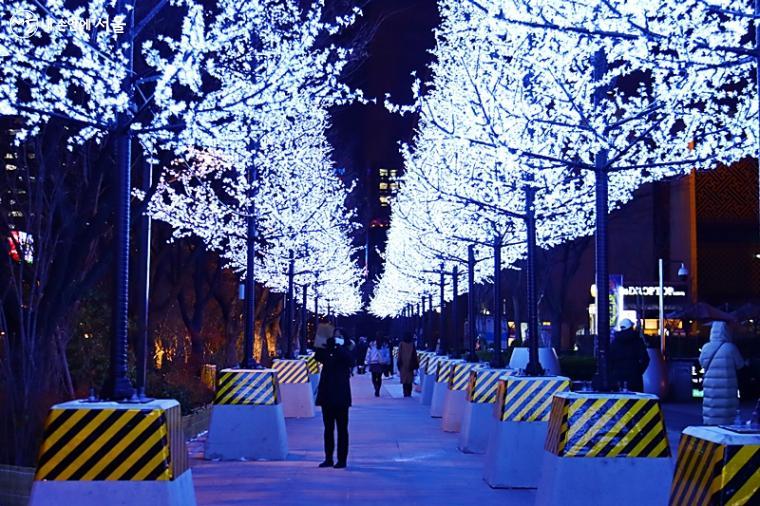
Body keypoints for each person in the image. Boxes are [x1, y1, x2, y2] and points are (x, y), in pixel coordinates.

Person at [314, 328, 354, 469]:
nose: (336, 338)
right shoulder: (326, 349)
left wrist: (339, 347)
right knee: (328, 428)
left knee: (342, 428)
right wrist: (324, 344)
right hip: (327, 393)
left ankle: (342, 459)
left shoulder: (347, 348)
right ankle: (328, 458)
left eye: (339, 336)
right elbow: (318, 357)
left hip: (341, 393)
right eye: (334, 336)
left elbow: (350, 361)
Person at [700, 321, 746, 425]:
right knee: (726, 416)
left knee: (711, 409)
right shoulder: (730, 348)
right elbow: (740, 364)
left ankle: (710, 429)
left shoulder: (705, 347)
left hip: (710, 387)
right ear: (726, 332)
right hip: (727, 388)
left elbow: (702, 363)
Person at [609, 318, 650, 392]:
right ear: (631, 327)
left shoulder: (615, 342)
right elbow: (646, 359)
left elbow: (609, 360)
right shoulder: (638, 341)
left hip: (618, 377)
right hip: (634, 377)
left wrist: (613, 372)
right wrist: (638, 371)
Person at [397, 332, 419, 397]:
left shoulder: (401, 344)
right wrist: (416, 365)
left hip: (403, 364)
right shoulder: (412, 344)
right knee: (409, 379)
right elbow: (414, 355)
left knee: (404, 380)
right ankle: (409, 392)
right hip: (410, 365)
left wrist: (398, 364)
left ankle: (405, 392)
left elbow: (399, 354)